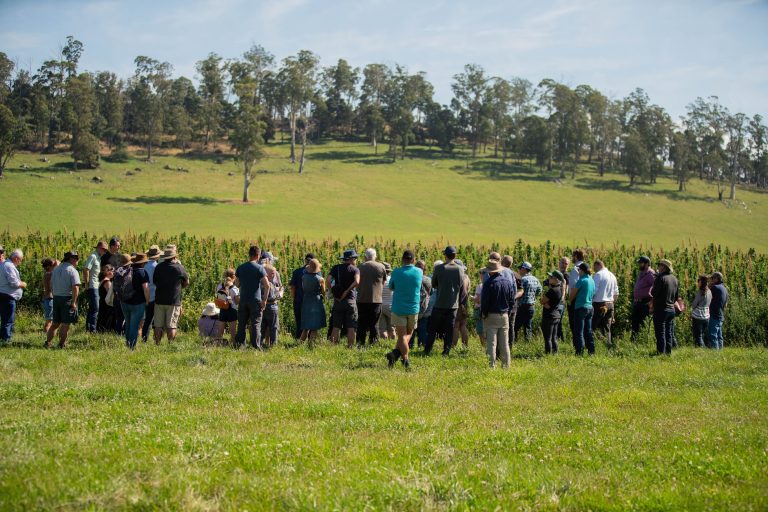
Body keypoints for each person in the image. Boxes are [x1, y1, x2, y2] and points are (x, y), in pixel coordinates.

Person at [385, 250, 423, 369]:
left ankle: (395, 354)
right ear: (413, 260)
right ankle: (405, 359)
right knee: (409, 334)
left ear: (402, 259)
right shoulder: (419, 271)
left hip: (398, 308)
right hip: (413, 308)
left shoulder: (396, 272)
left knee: (401, 337)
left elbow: (391, 287)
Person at [425, 246, 466, 356]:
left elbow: (433, 284)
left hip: (439, 303)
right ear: (455, 255)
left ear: (445, 255)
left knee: (432, 329)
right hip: (453, 305)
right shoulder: (460, 269)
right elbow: (461, 284)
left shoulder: (439, 268)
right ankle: (446, 351)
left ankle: (427, 349)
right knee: (449, 329)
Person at [480, 258, 517, 368]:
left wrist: (484, 313)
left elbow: (485, 301)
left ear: (490, 271)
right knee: (504, 342)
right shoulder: (508, 282)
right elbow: (512, 300)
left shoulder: (488, 284)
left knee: (492, 342)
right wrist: (508, 312)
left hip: (491, 315)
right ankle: (506, 365)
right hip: (504, 315)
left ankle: (491, 366)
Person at [152, 245, 190, 344]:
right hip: (173, 301)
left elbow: (155, 281)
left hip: (159, 299)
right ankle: (171, 344)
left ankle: (157, 344)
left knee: (158, 325)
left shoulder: (158, 267)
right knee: (171, 325)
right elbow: (186, 282)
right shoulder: (179, 268)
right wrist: (179, 286)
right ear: (174, 257)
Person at [235, 245, 270, 349]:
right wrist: (264, 300)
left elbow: (237, 284)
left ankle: (240, 345)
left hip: (243, 299)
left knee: (242, 323)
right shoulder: (260, 268)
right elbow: (267, 285)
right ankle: (256, 346)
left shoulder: (241, 267)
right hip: (255, 300)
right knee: (255, 324)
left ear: (249, 254)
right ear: (258, 255)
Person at [45, 251, 81, 349]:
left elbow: (51, 284)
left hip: (56, 298)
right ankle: (61, 344)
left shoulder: (56, 269)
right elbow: (76, 287)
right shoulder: (72, 271)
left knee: (55, 323)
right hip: (67, 299)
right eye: (77, 258)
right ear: (71, 259)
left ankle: (48, 342)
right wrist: (73, 302)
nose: (78, 260)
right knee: (65, 324)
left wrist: (55, 294)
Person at [327, 249, 360, 348]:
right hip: (350, 300)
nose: (356, 260)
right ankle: (350, 347)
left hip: (338, 301)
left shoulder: (336, 268)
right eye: (355, 258)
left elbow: (328, 280)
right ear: (351, 259)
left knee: (336, 326)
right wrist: (347, 290)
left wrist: (333, 292)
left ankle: (333, 347)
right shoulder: (355, 269)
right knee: (351, 326)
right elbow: (357, 282)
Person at [117, 253, 150, 350]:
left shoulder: (127, 270)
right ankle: (131, 347)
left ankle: (128, 343)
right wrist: (147, 301)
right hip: (137, 304)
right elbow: (146, 288)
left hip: (124, 302)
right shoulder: (142, 272)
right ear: (143, 263)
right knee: (134, 325)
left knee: (128, 323)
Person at [356, 247, 386, 346]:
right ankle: (373, 343)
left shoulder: (360, 267)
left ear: (365, 257)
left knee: (361, 323)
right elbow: (383, 281)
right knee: (374, 323)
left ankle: (360, 343)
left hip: (362, 299)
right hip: (376, 299)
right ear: (375, 256)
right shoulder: (381, 267)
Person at [649, 259, 679, 355]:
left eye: (659, 265)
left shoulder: (660, 278)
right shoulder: (674, 279)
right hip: (671, 309)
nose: (658, 267)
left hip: (661, 309)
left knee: (660, 332)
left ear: (663, 267)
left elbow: (654, 293)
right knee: (668, 332)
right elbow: (676, 297)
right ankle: (668, 352)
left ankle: (661, 352)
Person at [0, 248, 26, 343]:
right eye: (20, 259)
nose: (20, 262)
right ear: (16, 258)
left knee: (5, 318)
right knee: (8, 319)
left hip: (5, 295)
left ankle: (4, 337)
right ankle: (6, 340)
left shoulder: (4, 264)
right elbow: (14, 283)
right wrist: (23, 284)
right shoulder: (9, 266)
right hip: (8, 296)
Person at [569, 262, 595, 356]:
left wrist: (569, 300)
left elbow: (573, 293)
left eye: (579, 270)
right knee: (588, 331)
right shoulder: (591, 280)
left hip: (580, 307)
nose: (578, 271)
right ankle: (591, 351)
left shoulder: (581, 280)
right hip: (590, 307)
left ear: (582, 270)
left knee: (578, 331)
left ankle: (579, 352)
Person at [591, 260, 619, 346]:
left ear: (597, 265)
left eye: (594, 267)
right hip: (610, 304)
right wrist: (612, 304)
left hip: (600, 304)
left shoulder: (598, 275)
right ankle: (607, 346)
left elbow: (593, 291)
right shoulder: (612, 275)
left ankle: (594, 346)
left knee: (594, 326)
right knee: (607, 327)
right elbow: (616, 293)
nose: (593, 269)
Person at [300, 258, 326, 344]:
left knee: (306, 326)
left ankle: (300, 343)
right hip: (316, 301)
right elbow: (323, 292)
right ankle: (311, 345)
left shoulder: (303, 277)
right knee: (315, 326)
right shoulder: (320, 279)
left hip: (306, 300)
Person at [83, 240, 107, 333]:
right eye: (103, 249)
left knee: (92, 308)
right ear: (98, 248)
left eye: (105, 250)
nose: (104, 252)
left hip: (95, 285)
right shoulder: (93, 256)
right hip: (92, 285)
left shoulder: (98, 257)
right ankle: (92, 330)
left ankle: (89, 328)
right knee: (95, 308)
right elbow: (86, 269)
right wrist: (87, 284)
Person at [515, 261, 542, 341]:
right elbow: (539, 290)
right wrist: (533, 297)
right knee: (528, 325)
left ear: (524, 269)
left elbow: (518, 291)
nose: (519, 270)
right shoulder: (535, 279)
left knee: (515, 326)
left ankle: (513, 342)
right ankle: (528, 342)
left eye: (520, 268)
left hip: (522, 306)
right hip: (531, 306)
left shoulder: (522, 279)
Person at [289, 253, 314, 338]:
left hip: (299, 300)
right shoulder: (317, 272)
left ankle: (298, 339)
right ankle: (310, 341)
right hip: (311, 301)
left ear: (305, 260)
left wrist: (294, 298)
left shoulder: (297, 272)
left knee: (299, 321)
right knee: (310, 322)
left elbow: (293, 287)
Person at [141, 245, 161, 342]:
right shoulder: (156, 266)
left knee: (146, 319)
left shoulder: (144, 264)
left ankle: (144, 337)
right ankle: (149, 338)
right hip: (153, 295)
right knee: (152, 319)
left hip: (144, 295)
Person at [632, 255, 656, 338]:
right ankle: (634, 340)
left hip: (645, 302)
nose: (639, 265)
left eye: (641, 263)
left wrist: (652, 302)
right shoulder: (642, 273)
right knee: (635, 323)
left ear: (646, 264)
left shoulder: (650, 274)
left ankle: (643, 340)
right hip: (637, 302)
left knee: (643, 323)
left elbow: (656, 288)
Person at [541, 270, 565, 354]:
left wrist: (544, 302)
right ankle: (555, 353)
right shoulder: (560, 289)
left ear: (556, 279)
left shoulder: (552, 291)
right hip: (556, 315)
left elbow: (542, 301)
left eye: (551, 277)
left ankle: (548, 354)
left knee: (547, 338)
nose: (549, 278)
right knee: (554, 337)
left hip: (549, 316)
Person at [261, 263, 283, 347]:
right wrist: (279, 294)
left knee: (265, 326)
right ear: (266, 273)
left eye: (274, 273)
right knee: (273, 327)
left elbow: (280, 286)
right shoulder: (265, 284)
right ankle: (273, 345)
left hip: (268, 307)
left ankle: (260, 344)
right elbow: (272, 296)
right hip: (270, 306)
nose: (274, 275)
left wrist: (280, 291)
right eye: (272, 273)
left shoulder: (268, 281)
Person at [412, 260, 432, 349]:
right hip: (424, 308)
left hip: (413, 307)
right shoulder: (427, 279)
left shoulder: (411, 278)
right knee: (423, 329)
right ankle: (422, 345)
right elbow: (431, 292)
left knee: (411, 328)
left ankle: (410, 345)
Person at [215, 270, 239, 345]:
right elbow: (237, 301)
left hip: (222, 308)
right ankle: (233, 345)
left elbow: (218, 296)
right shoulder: (234, 288)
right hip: (232, 310)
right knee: (233, 331)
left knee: (220, 330)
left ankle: (218, 344)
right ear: (234, 277)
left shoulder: (219, 286)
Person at [452, 259, 471, 349]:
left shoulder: (457, 277)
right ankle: (465, 346)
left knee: (455, 326)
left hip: (457, 304)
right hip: (464, 304)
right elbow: (468, 290)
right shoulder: (466, 277)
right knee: (463, 325)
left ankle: (453, 346)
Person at [567, 249, 586, 341]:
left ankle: (577, 345)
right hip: (585, 300)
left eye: (572, 256)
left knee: (575, 324)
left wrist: (570, 300)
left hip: (575, 300)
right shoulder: (586, 267)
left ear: (575, 257)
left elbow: (574, 287)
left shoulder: (576, 269)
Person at [708, 272, 729, 350]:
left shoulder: (715, 288)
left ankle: (715, 353)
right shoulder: (724, 289)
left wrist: (709, 285)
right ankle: (720, 350)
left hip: (714, 314)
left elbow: (706, 294)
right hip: (721, 314)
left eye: (712, 278)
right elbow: (725, 304)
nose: (711, 280)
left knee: (713, 334)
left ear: (716, 279)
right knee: (719, 335)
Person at [691, 275, 711, 348]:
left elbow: (694, 305)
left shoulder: (700, 292)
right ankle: (706, 348)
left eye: (698, 281)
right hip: (706, 316)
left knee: (698, 335)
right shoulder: (709, 291)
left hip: (698, 316)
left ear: (701, 282)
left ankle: (701, 350)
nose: (697, 283)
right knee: (704, 334)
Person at [378, 263, 395, 340]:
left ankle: (384, 342)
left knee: (382, 328)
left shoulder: (378, 280)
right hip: (390, 306)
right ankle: (392, 342)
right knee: (392, 328)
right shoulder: (392, 280)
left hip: (380, 306)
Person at [96, 264, 115, 333]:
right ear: (108, 272)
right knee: (106, 317)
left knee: (101, 316)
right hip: (106, 303)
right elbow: (110, 294)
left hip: (102, 302)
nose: (113, 273)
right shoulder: (107, 282)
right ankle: (105, 331)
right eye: (112, 271)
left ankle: (100, 330)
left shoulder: (102, 280)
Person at [41, 258, 58, 333]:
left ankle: (47, 335)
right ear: (49, 266)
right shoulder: (49, 274)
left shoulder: (47, 273)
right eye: (53, 265)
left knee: (49, 320)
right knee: (49, 321)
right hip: (49, 299)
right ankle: (46, 336)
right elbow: (58, 264)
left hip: (47, 299)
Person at [557, 257, 570, 342]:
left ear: (568, 265)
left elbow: (567, 289)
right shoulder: (557, 273)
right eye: (562, 262)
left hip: (561, 301)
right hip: (556, 300)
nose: (563, 265)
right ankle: (559, 338)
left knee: (558, 320)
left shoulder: (566, 275)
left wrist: (563, 298)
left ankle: (560, 338)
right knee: (557, 320)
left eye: (566, 263)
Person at [472, 270, 484, 345]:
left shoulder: (480, 286)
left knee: (480, 330)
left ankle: (484, 346)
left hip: (479, 309)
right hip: (488, 310)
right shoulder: (491, 284)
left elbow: (478, 300)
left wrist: (471, 297)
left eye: (480, 274)